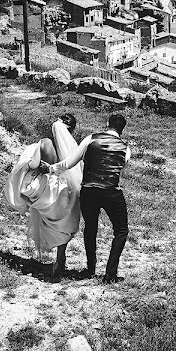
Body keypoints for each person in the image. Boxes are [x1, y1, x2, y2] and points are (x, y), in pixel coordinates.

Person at [42, 113, 130, 284]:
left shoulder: (91, 139)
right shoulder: (125, 148)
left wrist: (50, 169)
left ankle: (90, 268)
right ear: (122, 130)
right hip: (111, 191)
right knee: (121, 230)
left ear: (106, 123)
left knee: (90, 228)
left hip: (89, 190)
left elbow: (69, 163)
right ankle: (110, 273)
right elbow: (121, 165)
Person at [4, 114, 82, 279]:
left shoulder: (45, 143)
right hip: (66, 190)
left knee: (48, 222)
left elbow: (33, 165)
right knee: (65, 223)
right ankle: (61, 256)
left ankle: (53, 253)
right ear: (71, 130)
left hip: (47, 190)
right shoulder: (73, 147)